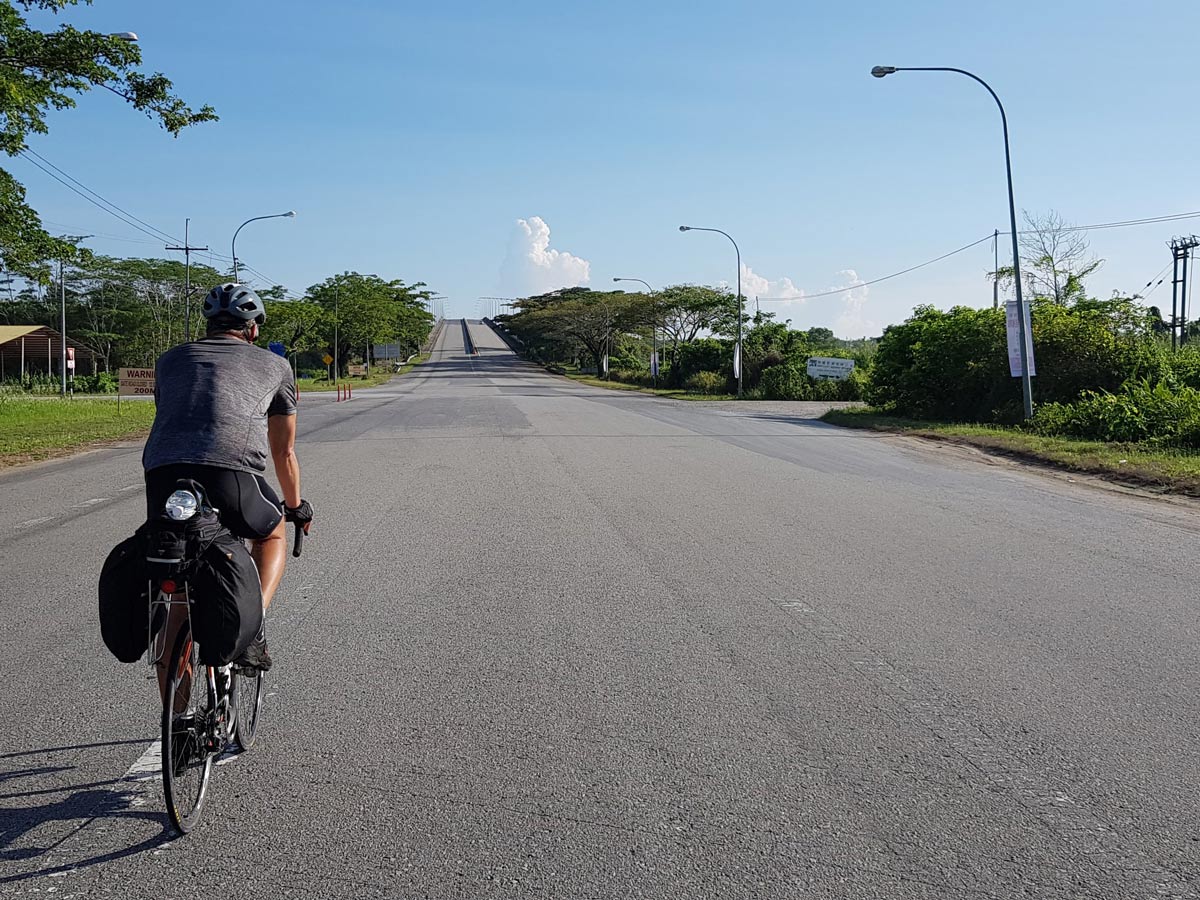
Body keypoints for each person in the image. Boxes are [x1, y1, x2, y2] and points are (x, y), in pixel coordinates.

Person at [142, 283, 313, 674]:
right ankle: (251, 624)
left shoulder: (169, 360)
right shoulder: (275, 366)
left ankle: (178, 724)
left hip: (163, 478)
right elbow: (283, 451)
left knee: (179, 584)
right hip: (230, 474)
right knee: (271, 533)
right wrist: (294, 507)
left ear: (208, 324)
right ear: (253, 329)